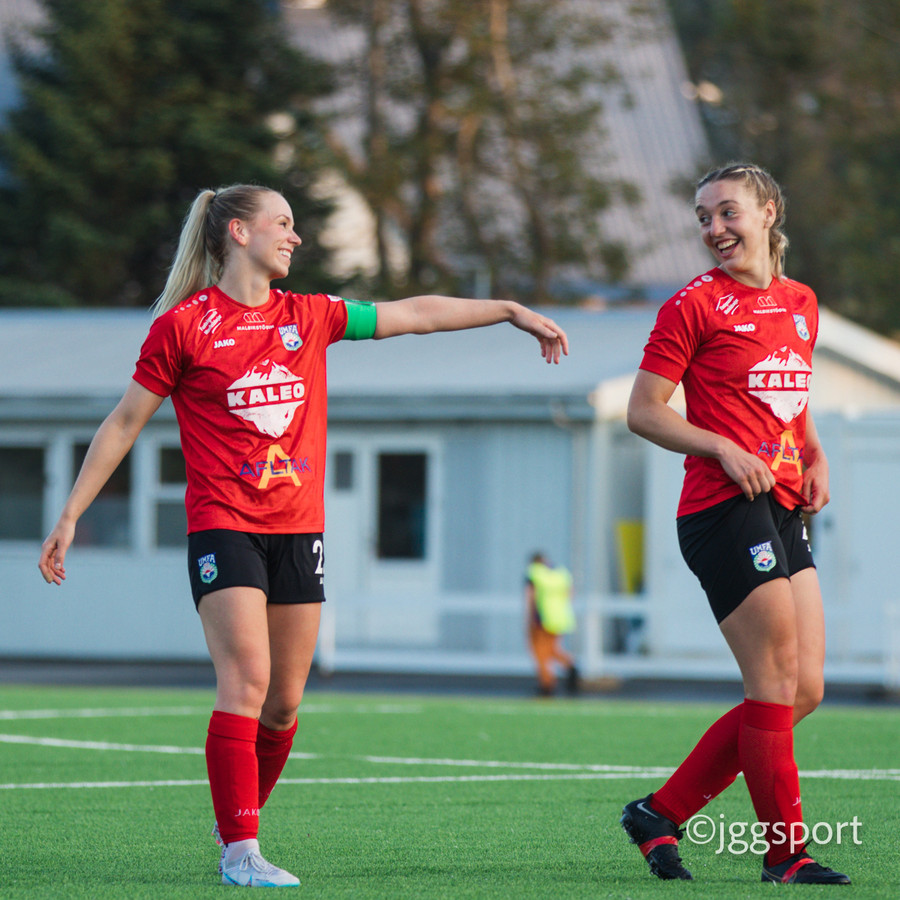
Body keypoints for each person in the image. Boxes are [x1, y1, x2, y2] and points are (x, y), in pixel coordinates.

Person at [37, 184, 569, 888]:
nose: (295, 236)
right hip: (224, 525)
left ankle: (238, 817)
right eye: (282, 223)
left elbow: (414, 314)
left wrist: (507, 310)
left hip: (298, 529)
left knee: (285, 701)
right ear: (238, 232)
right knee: (247, 680)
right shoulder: (184, 327)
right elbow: (124, 422)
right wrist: (71, 514)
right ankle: (241, 851)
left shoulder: (309, 316)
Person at [620, 163, 850, 885]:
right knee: (773, 680)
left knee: (804, 687)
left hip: (782, 504)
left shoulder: (801, 302)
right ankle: (785, 855)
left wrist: (813, 452)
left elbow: (791, 395)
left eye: (727, 212)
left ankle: (659, 812)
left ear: (768, 212)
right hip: (721, 509)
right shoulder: (693, 305)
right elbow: (643, 411)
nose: (714, 228)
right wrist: (720, 446)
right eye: (703, 218)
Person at [524, 552, 578, 696]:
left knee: (540, 653)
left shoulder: (535, 574)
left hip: (541, 619)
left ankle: (546, 684)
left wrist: (528, 619)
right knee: (552, 649)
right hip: (559, 618)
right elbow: (570, 594)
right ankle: (569, 664)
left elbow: (530, 597)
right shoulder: (560, 574)